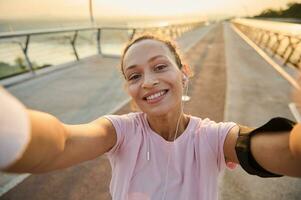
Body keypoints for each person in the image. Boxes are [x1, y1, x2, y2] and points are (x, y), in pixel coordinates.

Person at [0, 34, 301, 200]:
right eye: (134, 75)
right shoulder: (119, 132)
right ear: (129, 88)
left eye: (159, 67)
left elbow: (288, 153)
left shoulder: (213, 136)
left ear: (183, 73)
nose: (147, 82)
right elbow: (61, 142)